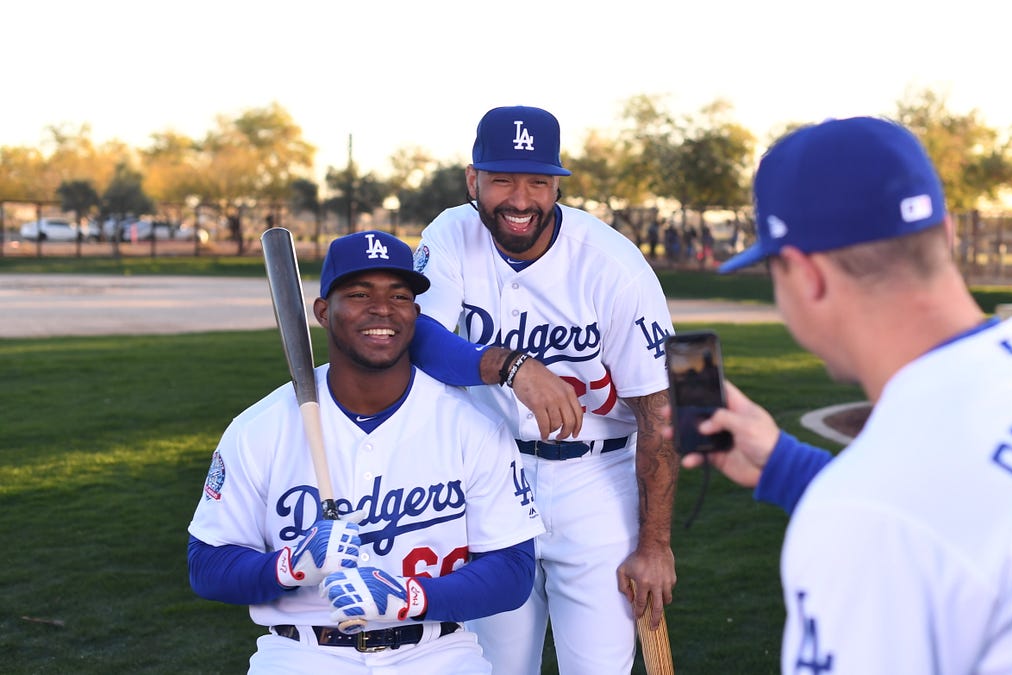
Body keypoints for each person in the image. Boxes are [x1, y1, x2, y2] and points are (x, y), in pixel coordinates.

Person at [684, 116, 1012, 673]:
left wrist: (847, 501)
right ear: (947, 235)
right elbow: (972, 520)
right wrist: (784, 466)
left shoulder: (867, 513)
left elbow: (910, 517)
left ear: (807, 277)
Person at [187, 230, 557, 673]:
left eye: (399, 295)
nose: (382, 308)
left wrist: (411, 597)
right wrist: (289, 566)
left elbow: (512, 571)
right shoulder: (260, 428)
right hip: (303, 653)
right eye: (360, 293)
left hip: (435, 652)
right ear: (324, 312)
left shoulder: (470, 426)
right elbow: (207, 565)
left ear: (416, 314)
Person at [412, 105, 678, 674]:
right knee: (491, 667)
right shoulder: (452, 234)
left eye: (537, 181)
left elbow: (659, 414)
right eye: (502, 178)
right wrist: (512, 365)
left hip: (597, 483)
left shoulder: (611, 266)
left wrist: (655, 545)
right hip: (492, 478)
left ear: (557, 184)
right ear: (472, 180)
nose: (520, 198)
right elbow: (421, 339)